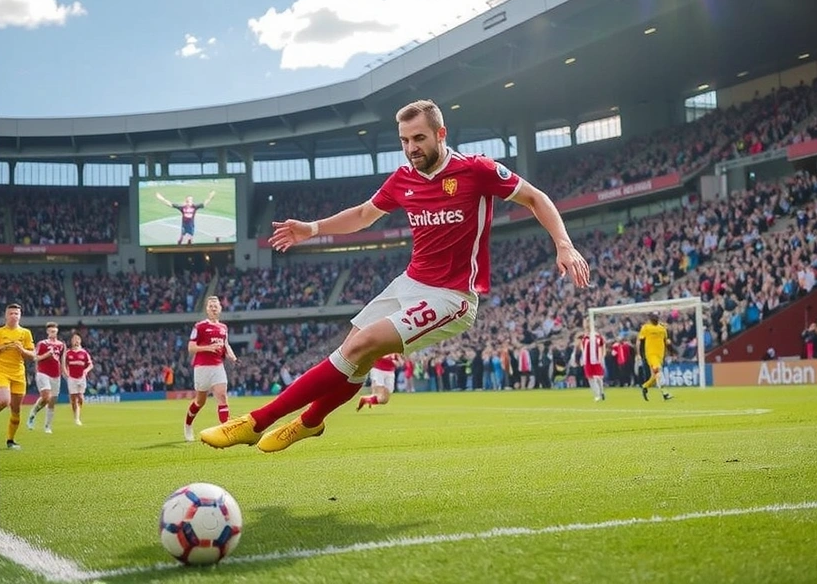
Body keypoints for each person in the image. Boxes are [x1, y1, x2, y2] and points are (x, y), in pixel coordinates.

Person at [201, 99, 590, 453]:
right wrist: (313, 229)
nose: (411, 148)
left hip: (451, 297)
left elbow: (536, 197)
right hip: (409, 282)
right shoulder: (403, 178)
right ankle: (310, 422)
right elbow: (363, 214)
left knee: (362, 345)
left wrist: (564, 244)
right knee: (356, 351)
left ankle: (257, 422)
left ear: (441, 134)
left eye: (419, 138)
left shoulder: (477, 170)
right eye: (404, 140)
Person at [183, 295, 238, 442]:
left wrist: (232, 355)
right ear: (207, 309)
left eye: (216, 306)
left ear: (220, 309)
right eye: (211, 306)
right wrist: (208, 347)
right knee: (200, 402)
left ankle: (226, 433)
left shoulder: (223, 328)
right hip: (202, 368)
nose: (213, 308)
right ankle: (188, 425)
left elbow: (226, 344)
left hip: (218, 367)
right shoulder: (199, 326)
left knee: (222, 396)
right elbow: (191, 348)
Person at [0, 303, 36, 450]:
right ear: (6, 315)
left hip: (18, 374)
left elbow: (33, 355)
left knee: (16, 409)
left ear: (20, 316)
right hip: (1, 372)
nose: (14, 316)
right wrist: (3, 347)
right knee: (4, 401)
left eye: (16, 314)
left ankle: (10, 441)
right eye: (11, 313)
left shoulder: (25, 333)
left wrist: (22, 350)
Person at [27, 322, 66, 434]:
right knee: (46, 397)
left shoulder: (61, 345)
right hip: (43, 373)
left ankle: (47, 426)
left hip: (56, 375)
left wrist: (65, 372)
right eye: (51, 331)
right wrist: (46, 355)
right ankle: (32, 414)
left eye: (55, 331)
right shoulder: (42, 344)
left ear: (57, 331)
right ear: (47, 332)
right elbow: (35, 358)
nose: (53, 333)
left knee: (52, 401)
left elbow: (62, 360)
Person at [638, 311, 672, 401]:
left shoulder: (662, 329)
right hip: (651, 354)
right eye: (653, 317)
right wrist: (642, 354)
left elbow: (666, 342)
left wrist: (672, 352)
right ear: (650, 318)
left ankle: (644, 386)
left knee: (655, 376)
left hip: (660, 355)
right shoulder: (646, 328)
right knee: (658, 371)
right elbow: (642, 342)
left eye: (656, 317)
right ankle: (665, 393)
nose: (655, 318)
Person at [62, 333, 93, 426]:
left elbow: (90, 364)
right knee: (73, 398)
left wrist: (86, 370)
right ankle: (76, 417)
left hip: (81, 378)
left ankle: (78, 413)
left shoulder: (84, 353)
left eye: (77, 339)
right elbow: (63, 364)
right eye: (74, 339)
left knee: (80, 397)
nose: (76, 341)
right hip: (72, 378)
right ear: (71, 341)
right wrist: (65, 373)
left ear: (80, 341)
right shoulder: (68, 353)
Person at [578, 330, 606, 401]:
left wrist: (602, 357)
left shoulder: (598, 338)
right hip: (587, 361)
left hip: (596, 360)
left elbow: (602, 346)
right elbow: (582, 349)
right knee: (591, 378)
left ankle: (601, 392)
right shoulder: (584, 338)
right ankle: (597, 394)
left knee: (598, 377)